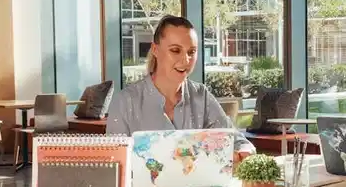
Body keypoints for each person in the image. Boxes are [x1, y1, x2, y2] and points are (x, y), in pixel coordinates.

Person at [106, 15, 255, 161]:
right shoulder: (124, 102)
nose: (186, 60)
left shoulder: (201, 96)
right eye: (175, 50)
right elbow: (115, 163)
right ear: (155, 49)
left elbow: (237, 141)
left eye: (191, 52)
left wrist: (244, 151)